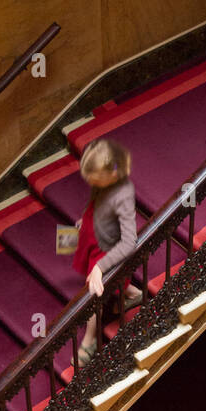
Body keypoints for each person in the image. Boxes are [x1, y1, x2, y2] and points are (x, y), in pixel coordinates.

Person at [73, 138, 140, 366]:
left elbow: (130, 241)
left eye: (95, 180)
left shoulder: (123, 195)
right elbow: (96, 198)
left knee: (95, 292)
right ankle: (132, 294)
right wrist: (87, 218)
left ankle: (90, 340)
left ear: (112, 174)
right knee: (103, 282)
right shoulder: (104, 181)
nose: (92, 183)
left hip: (108, 247)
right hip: (96, 234)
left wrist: (100, 267)